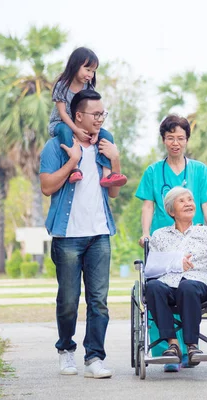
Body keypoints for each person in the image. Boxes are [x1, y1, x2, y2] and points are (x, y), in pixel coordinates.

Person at [40, 89, 124, 378]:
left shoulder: (105, 144)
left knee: (99, 300)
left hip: (99, 234)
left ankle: (94, 358)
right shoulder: (55, 146)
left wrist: (115, 160)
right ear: (78, 116)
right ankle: (65, 350)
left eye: (103, 114)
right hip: (68, 237)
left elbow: (113, 191)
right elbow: (47, 186)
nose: (100, 119)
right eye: (95, 114)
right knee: (68, 300)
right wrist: (72, 161)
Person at [135, 114, 207, 372]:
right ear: (163, 140)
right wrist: (146, 233)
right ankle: (168, 352)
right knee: (159, 284)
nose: (176, 143)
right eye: (170, 138)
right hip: (165, 239)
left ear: (186, 140)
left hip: (193, 238)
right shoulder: (153, 171)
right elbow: (148, 204)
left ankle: (188, 350)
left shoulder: (199, 170)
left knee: (188, 285)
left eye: (180, 138)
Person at [146, 187, 207, 366]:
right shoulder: (159, 235)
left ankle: (192, 345)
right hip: (166, 286)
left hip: (199, 286)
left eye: (190, 199)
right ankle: (173, 345)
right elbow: (151, 268)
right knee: (152, 286)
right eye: (182, 201)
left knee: (187, 286)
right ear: (171, 211)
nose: (188, 203)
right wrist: (175, 263)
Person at [48, 46, 127, 187]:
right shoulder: (62, 86)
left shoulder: (88, 88)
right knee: (65, 130)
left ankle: (107, 174)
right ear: (75, 65)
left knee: (107, 136)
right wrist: (76, 130)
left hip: (83, 124)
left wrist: (95, 132)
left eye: (93, 71)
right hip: (61, 123)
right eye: (87, 69)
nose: (90, 74)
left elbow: (94, 113)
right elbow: (62, 113)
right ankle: (74, 169)